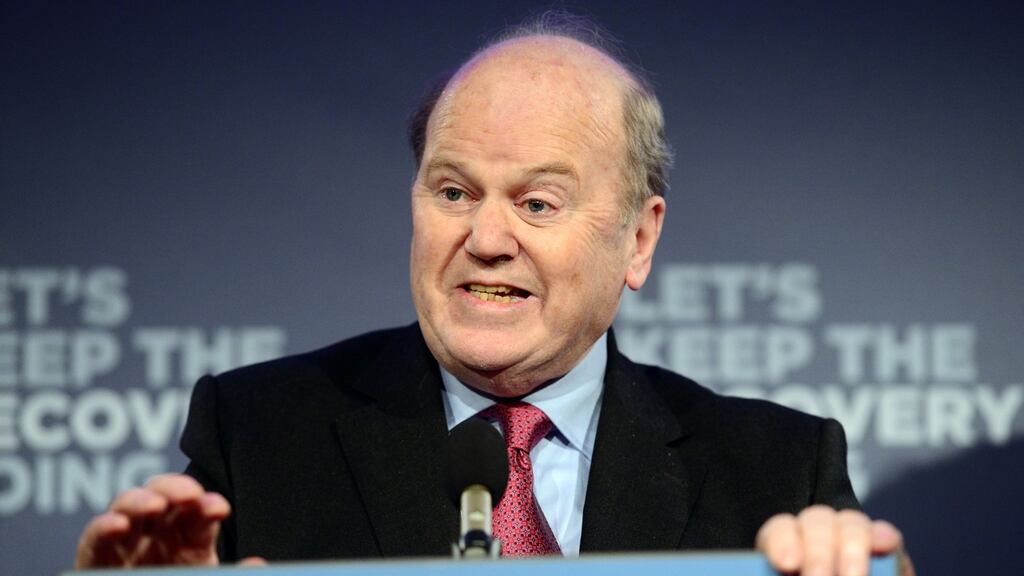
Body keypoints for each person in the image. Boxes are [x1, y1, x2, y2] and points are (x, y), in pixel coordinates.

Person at [76, 16, 912, 576]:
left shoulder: (773, 468)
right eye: (452, 192)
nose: (485, 237)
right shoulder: (260, 437)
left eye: (538, 203)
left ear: (639, 238)